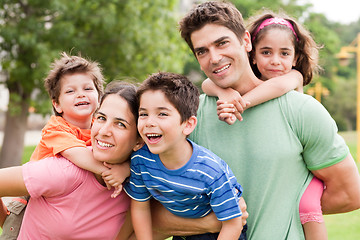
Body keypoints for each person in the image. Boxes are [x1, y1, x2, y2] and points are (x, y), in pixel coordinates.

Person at [151, 1, 360, 239]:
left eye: (222, 43)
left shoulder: (301, 111)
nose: (215, 58)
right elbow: (150, 211)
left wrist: (288, 211)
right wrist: (212, 222)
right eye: (202, 51)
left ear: (246, 41)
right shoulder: (186, 119)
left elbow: (349, 194)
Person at [202, 10, 326, 240]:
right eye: (266, 52)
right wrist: (224, 91)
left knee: (309, 207)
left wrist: (239, 104)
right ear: (253, 54)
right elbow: (206, 83)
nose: (275, 61)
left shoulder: (292, 78)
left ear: (295, 58)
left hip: (303, 177)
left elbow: (276, 88)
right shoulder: (228, 90)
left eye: (284, 53)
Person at [0, 53, 126, 239]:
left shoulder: (97, 130)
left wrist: (124, 168)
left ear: (99, 98)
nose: (80, 94)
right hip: (28, 200)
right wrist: (110, 172)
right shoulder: (56, 128)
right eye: (70, 91)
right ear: (57, 104)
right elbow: (78, 155)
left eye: (87, 88)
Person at [124, 72, 246, 240]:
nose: (149, 122)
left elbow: (233, 223)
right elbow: (140, 207)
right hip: (184, 230)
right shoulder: (141, 159)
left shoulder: (210, 171)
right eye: (143, 114)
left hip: (221, 231)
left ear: (188, 125)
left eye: (162, 114)